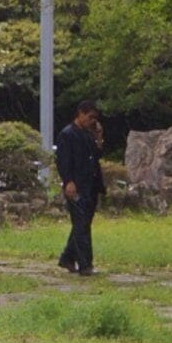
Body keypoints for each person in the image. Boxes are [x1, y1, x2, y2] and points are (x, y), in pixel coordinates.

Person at [53, 100, 108, 276]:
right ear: (81, 114)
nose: (92, 121)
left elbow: (96, 155)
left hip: (91, 184)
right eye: (90, 117)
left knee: (82, 224)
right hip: (76, 185)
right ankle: (85, 264)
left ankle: (67, 257)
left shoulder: (87, 134)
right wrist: (68, 181)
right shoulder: (67, 134)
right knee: (81, 225)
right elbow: (63, 160)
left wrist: (99, 137)